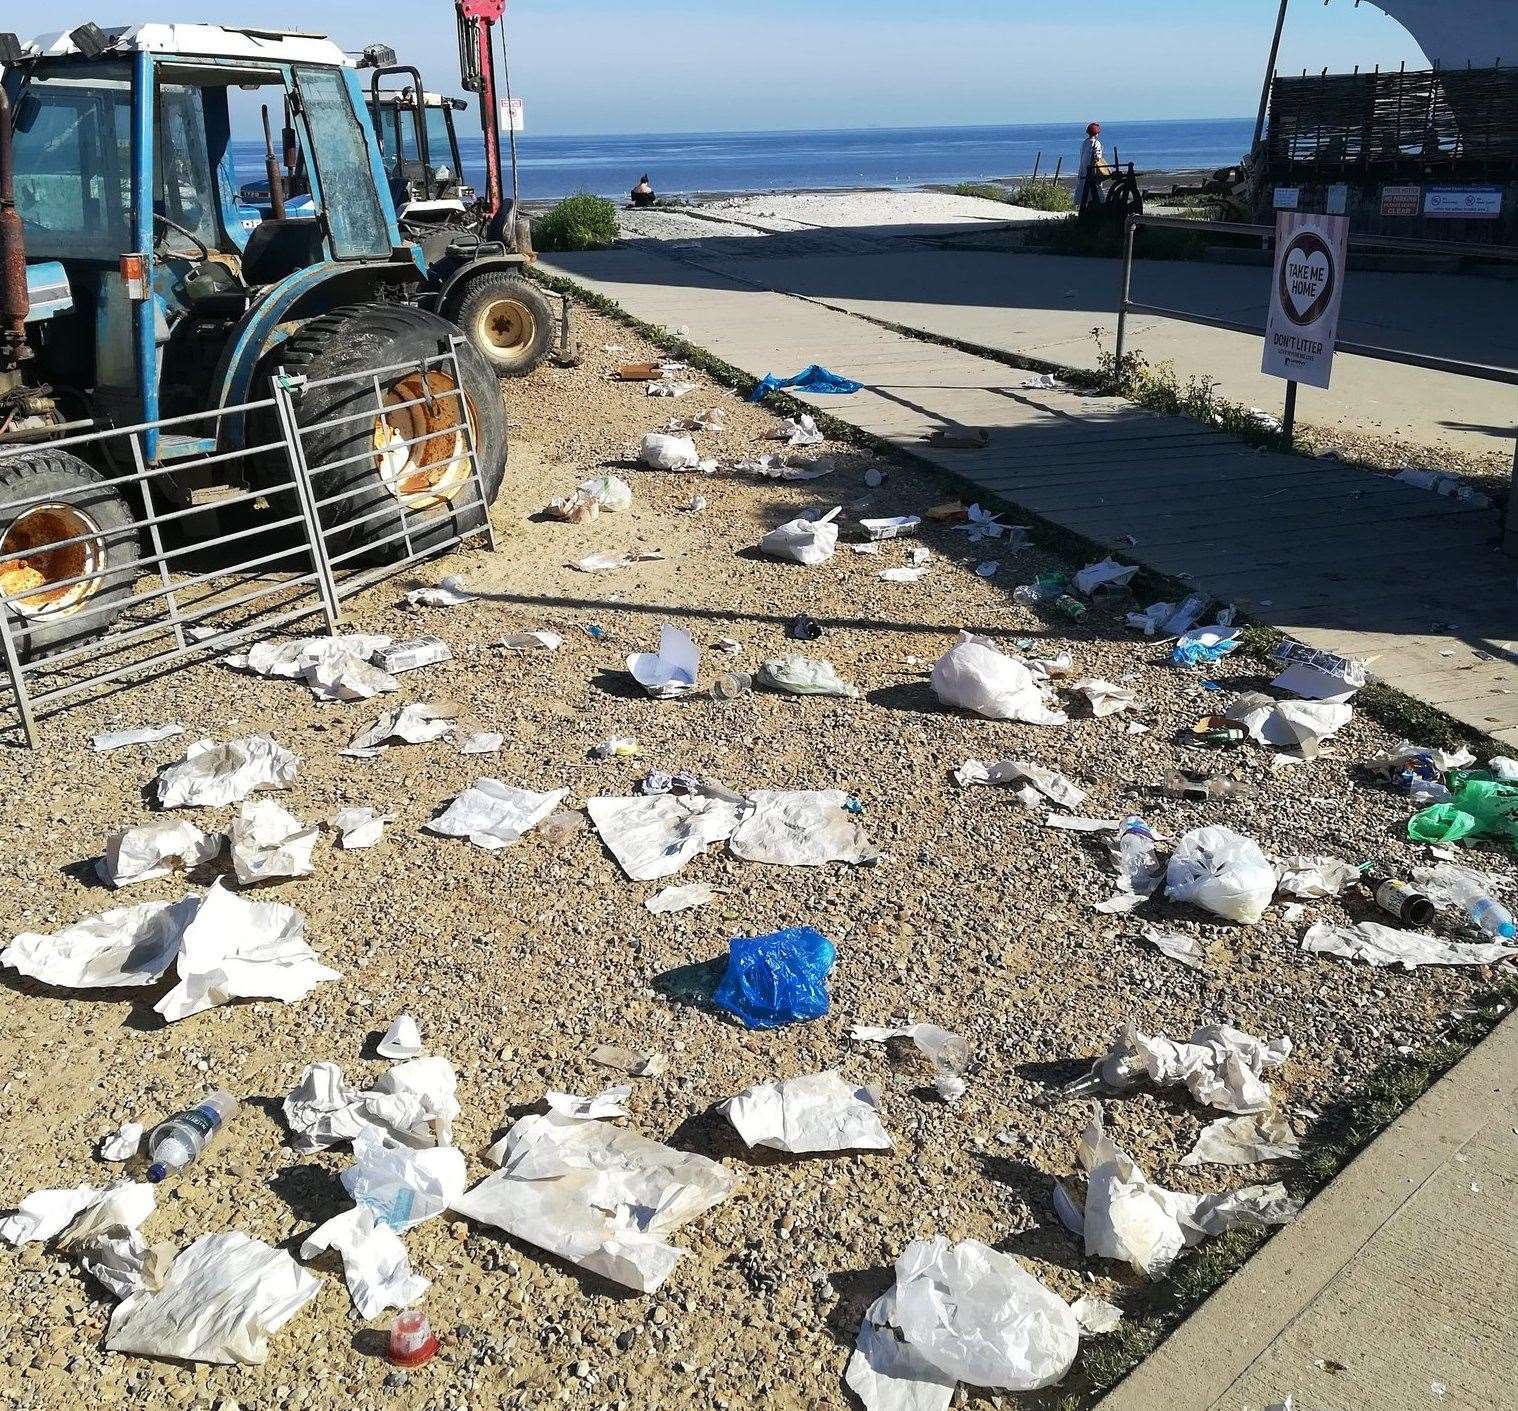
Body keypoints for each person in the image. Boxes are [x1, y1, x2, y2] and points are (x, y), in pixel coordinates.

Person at [1075, 123, 1110, 209]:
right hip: (1092, 170)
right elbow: (1097, 157)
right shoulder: (1096, 143)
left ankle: (1085, 206)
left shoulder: (1084, 143)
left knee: (1084, 188)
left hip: (1084, 169)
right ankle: (1099, 205)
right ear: (1097, 133)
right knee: (1096, 187)